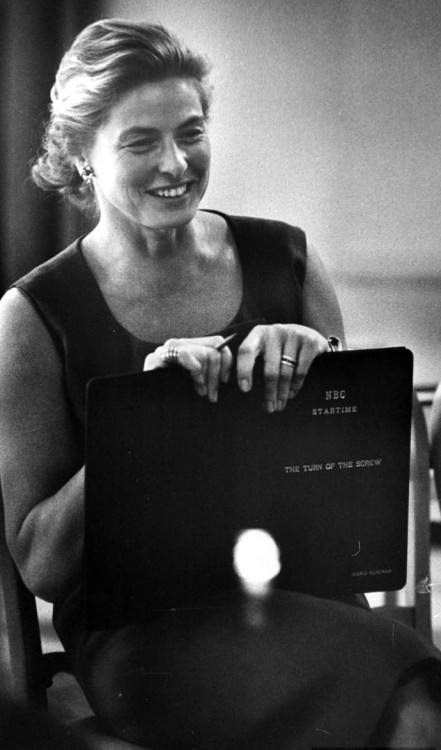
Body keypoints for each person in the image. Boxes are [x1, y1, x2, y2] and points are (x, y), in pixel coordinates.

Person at [0, 17, 440, 749]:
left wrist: (322, 367)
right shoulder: (33, 314)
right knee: (395, 692)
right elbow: (43, 565)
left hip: (308, 599)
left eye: (191, 131)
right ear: (81, 157)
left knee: (419, 697)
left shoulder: (288, 258)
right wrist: (138, 417)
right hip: (146, 633)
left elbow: (357, 501)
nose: (176, 163)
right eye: (141, 142)